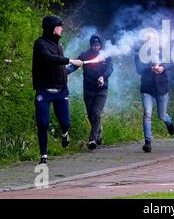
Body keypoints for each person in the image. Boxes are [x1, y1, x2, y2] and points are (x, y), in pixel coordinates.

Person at [32, 15, 83, 165]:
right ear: (52, 28)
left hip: (61, 91)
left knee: (66, 123)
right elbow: (49, 59)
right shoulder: (40, 44)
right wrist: (70, 60)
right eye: (59, 26)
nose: (62, 29)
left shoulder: (59, 46)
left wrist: (72, 67)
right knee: (43, 123)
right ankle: (44, 155)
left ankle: (65, 133)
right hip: (44, 91)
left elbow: (59, 70)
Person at [67, 34, 114, 150]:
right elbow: (75, 66)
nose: (96, 47)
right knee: (90, 115)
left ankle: (92, 139)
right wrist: (64, 71)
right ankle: (99, 130)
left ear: (101, 45)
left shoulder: (106, 56)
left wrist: (103, 77)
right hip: (88, 89)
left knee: (97, 113)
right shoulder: (85, 55)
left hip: (101, 90)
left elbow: (110, 69)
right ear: (91, 45)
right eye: (94, 45)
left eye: (98, 45)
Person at [134, 33, 174, 153]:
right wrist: (150, 68)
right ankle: (148, 142)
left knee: (162, 115)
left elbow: (171, 62)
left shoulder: (163, 50)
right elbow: (139, 68)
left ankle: (169, 123)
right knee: (147, 113)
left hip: (161, 87)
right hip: (147, 88)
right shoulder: (139, 52)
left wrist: (162, 67)